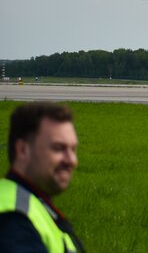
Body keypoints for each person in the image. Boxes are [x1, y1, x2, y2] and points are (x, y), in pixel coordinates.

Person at [0, 102, 86, 253]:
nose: (72, 160)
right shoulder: (13, 220)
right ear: (22, 150)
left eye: (73, 149)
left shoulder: (29, 204)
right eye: (58, 148)